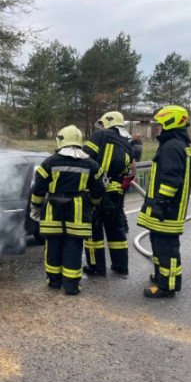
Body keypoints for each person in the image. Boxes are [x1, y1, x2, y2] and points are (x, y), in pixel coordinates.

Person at [29, 125, 105, 295]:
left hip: (52, 213)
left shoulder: (49, 162)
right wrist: (92, 204)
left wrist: (35, 209)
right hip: (78, 213)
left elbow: (38, 189)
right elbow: (99, 190)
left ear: (61, 140)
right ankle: (71, 286)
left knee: (53, 246)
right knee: (73, 247)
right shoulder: (91, 164)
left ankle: (53, 282)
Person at [137, 105, 191, 298]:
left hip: (168, 209)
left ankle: (167, 286)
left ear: (170, 123)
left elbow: (171, 180)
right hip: (169, 207)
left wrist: (160, 204)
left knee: (166, 247)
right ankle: (162, 276)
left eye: (160, 124)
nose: (157, 128)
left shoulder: (172, 147)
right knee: (158, 243)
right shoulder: (176, 144)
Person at [82, 111, 134, 277]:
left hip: (98, 190)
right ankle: (120, 266)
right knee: (116, 228)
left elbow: (85, 157)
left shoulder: (100, 135)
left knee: (93, 229)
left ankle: (96, 267)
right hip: (117, 191)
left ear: (106, 123)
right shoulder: (127, 142)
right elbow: (131, 168)